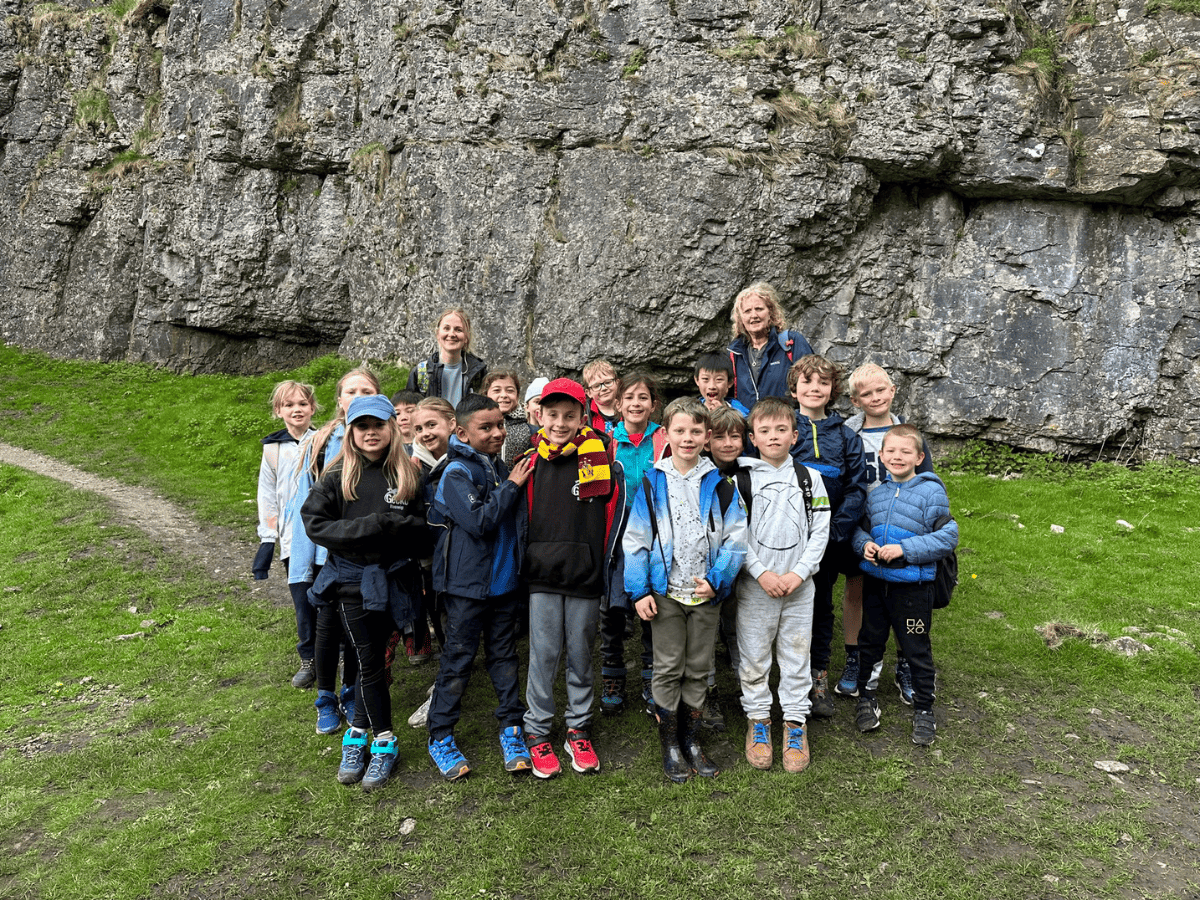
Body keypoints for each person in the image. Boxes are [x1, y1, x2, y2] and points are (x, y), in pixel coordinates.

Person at [302, 394, 432, 791]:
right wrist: (367, 528)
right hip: (352, 582)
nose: (370, 433)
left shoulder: (408, 473)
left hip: (397, 582)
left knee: (373, 658)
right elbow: (315, 523)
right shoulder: (337, 476)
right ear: (351, 432)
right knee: (369, 659)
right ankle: (383, 742)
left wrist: (396, 529)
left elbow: (423, 527)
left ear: (392, 427)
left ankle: (357, 732)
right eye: (362, 426)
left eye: (378, 425)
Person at [624, 399, 746, 782]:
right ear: (667, 434)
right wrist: (639, 589)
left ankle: (691, 739)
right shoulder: (652, 482)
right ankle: (670, 744)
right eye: (680, 431)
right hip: (665, 593)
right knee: (668, 666)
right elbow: (635, 540)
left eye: (696, 431)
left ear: (707, 437)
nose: (688, 438)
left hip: (706, 593)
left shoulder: (721, 486)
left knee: (697, 668)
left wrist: (717, 580)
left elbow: (736, 539)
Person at [425, 395, 535, 780]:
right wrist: (512, 485)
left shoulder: (498, 466)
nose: (497, 433)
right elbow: (478, 521)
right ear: (461, 433)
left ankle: (511, 729)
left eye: (500, 425)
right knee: (458, 660)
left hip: (503, 584)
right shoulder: (456, 472)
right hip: (466, 588)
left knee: (504, 657)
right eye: (485, 428)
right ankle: (439, 735)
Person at [520, 378, 626, 778]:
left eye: (569, 415)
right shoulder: (530, 460)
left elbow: (611, 519)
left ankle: (578, 728)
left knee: (581, 654)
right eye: (552, 415)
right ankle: (538, 731)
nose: (560, 423)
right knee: (543, 655)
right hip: (542, 572)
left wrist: (604, 567)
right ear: (539, 416)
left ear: (585, 416)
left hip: (585, 571)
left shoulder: (603, 459)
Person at [282, 366, 380, 734]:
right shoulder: (319, 442)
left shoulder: (382, 442)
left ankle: (352, 692)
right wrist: (303, 562)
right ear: (339, 400)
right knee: (326, 629)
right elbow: (304, 506)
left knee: (357, 629)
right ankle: (326, 697)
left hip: (363, 555)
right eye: (350, 391)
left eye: (366, 390)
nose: (358, 397)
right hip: (325, 555)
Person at [736, 397, 830, 772]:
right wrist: (761, 573)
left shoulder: (811, 479)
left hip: (799, 588)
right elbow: (734, 536)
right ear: (753, 438)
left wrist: (798, 573)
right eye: (764, 431)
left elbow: (821, 532)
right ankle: (758, 720)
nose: (773, 437)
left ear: (794, 435)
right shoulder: (740, 481)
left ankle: (795, 722)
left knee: (796, 655)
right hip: (756, 588)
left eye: (781, 430)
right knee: (754, 656)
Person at [851, 424, 957, 746]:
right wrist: (864, 545)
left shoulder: (931, 492)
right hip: (876, 585)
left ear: (919, 457)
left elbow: (948, 536)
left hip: (913, 588)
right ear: (881, 456)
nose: (897, 457)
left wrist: (905, 550)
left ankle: (924, 708)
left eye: (905, 451)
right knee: (869, 642)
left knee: (915, 647)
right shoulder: (876, 494)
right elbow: (860, 531)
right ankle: (866, 698)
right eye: (891, 451)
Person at [837, 363, 934, 704]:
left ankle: (905, 661)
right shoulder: (848, 432)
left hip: (902, 522)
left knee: (901, 591)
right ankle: (855, 657)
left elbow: (927, 480)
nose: (875, 397)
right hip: (862, 523)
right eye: (867, 393)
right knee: (857, 588)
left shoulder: (907, 432)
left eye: (881, 390)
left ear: (893, 391)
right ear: (855, 400)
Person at [787, 355, 868, 720]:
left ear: (832, 390)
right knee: (786, 610)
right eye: (807, 382)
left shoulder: (845, 436)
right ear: (794, 389)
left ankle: (817, 678)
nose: (814, 388)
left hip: (830, 540)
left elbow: (856, 487)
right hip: (787, 537)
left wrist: (835, 531)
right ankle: (787, 678)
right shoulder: (784, 428)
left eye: (822, 382)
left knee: (820, 607)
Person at [600, 372, 667, 717]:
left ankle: (651, 674)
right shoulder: (608, 442)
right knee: (613, 606)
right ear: (618, 403)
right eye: (630, 398)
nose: (636, 404)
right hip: (618, 532)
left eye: (643, 398)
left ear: (653, 405)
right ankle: (612, 674)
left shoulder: (665, 439)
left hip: (656, 531)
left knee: (651, 603)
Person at [255, 380, 318, 688]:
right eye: (290, 405)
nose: (297, 410)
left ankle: (344, 653)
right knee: (303, 601)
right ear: (278, 410)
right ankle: (309, 658)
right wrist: (268, 537)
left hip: (325, 538)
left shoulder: (324, 441)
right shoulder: (272, 449)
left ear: (313, 408)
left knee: (331, 597)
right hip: (292, 540)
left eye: (302, 404)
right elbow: (267, 495)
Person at [700, 405, 749, 730]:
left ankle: (748, 690)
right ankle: (709, 693)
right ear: (707, 441)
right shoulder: (700, 475)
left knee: (737, 630)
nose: (729, 443)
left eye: (736, 436)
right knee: (704, 637)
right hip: (705, 570)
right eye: (720, 437)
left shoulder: (750, 475)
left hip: (743, 569)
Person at [726, 282, 814, 410]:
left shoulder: (791, 343)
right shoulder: (734, 353)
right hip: (748, 427)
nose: (754, 315)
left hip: (786, 425)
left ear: (770, 313)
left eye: (759, 309)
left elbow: (813, 384)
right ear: (740, 318)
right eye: (747, 311)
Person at [406, 308, 488, 406]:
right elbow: (410, 410)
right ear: (437, 334)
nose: (452, 334)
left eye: (458, 330)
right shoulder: (421, 372)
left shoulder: (479, 372)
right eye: (446, 328)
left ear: (466, 337)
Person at [482, 369, 532, 467]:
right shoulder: (479, 427)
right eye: (496, 390)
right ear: (486, 395)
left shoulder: (530, 431)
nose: (504, 395)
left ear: (517, 396)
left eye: (510, 391)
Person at [582, 359, 621, 435]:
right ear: (589, 392)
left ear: (617, 383)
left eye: (608, 382)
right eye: (596, 386)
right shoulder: (584, 413)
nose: (604, 388)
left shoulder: (629, 405)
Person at [390, 390, 423, 456]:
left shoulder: (430, 444)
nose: (403, 418)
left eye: (410, 411)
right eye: (397, 413)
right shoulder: (389, 450)